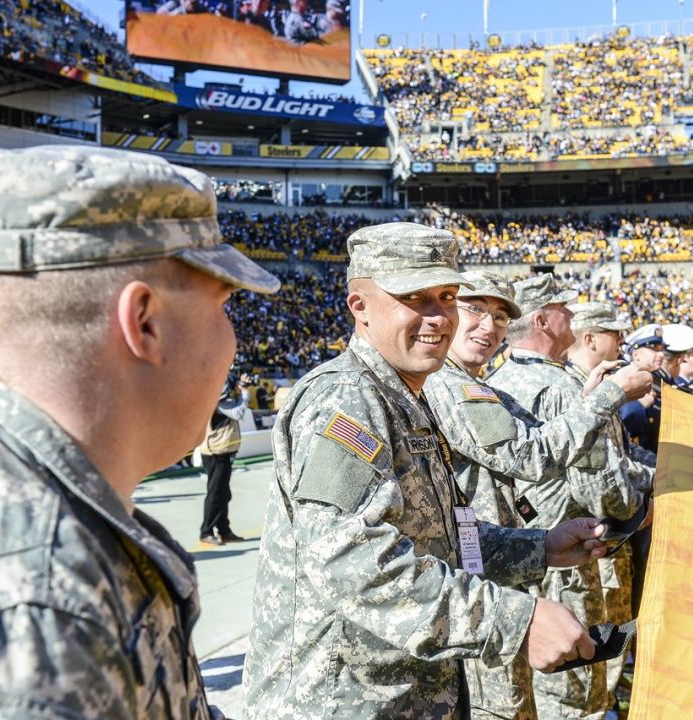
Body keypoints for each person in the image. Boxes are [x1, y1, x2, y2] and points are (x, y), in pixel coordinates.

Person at [0, 145, 281, 719]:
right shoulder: (25, 611)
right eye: (223, 307)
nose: (231, 341)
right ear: (144, 322)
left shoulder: (33, 517)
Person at [243, 223, 614, 719]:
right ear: (361, 307)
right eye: (414, 297)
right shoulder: (346, 400)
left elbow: (437, 538)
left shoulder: (406, 396)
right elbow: (355, 563)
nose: (439, 317)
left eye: (446, 296)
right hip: (342, 701)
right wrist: (514, 621)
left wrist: (537, 547)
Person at [423, 272, 651, 720]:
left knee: (523, 699)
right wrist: (608, 396)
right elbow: (531, 455)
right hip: (479, 583)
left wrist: (539, 547)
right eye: (474, 310)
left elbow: (532, 439)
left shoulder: (484, 382)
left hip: (500, 563)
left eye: (500, 316)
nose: (489, 327)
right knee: (517, 704)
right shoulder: (451, 385)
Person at [487, 277, 648, 720]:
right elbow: (599, 486)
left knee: (547, 685)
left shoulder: (496, 379)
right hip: (571, 553)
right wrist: (638, 507)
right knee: (581, 690)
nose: (572, 318)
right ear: (541, 319)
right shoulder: (558, 388)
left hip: (523, 550)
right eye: (563, 309)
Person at [563, 302, 659, 712]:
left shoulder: (597, 386)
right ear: (589, 338)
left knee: (612, 644)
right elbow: (601, 481)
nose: (622, 341)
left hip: (605, 541)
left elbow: (622, 460)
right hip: (592, 542)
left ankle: (612, 700)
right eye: (614, 334)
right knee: (596, 652)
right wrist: (639, 507)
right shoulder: (575, 390)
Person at [198, 372, 253, 546]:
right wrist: (244, 393)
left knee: (223, 493)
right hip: (217, 452)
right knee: (215, 493)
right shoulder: (219, 403)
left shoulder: (219, 400)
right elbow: (238, 412)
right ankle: (206, 531)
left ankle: (224, 530)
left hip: (222, 450)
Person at [618, 323, 667, 454]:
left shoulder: (657, 380)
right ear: (636, 355)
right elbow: (625, 423)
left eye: (661, 349)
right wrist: (640, 405)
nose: (661, 354)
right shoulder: (623, 378)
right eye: (655, 349)